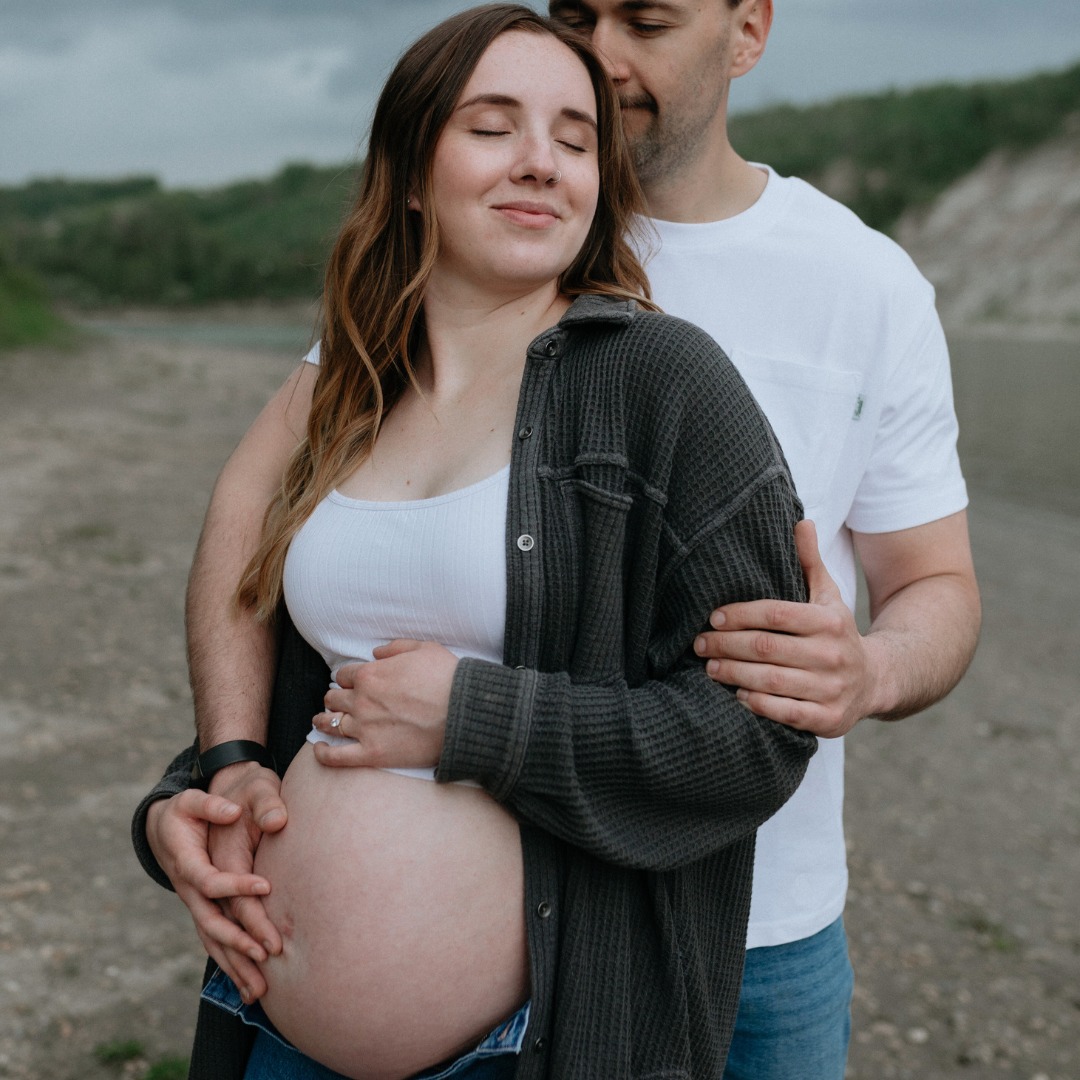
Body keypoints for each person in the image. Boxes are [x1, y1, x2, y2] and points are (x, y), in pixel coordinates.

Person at [135, 0, 981, 1076]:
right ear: (413, 169)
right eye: (577, 18)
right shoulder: (374, 356)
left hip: (695, 929)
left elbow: (921, 591)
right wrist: (215, 771)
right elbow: (272, 554)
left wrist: (868, 670)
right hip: (286, 1007)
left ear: (747, 32)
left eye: (646, 21)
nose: (601, 56)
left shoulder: (798, 309)